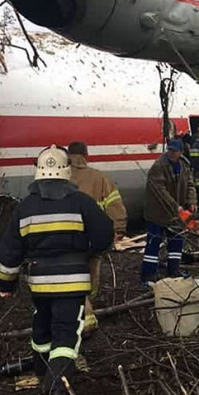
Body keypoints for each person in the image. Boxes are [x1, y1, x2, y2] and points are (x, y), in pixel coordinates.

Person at [0, 145, 113, 395]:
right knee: (66, 335)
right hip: (73, 284)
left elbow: (9, 250)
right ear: (67, 171)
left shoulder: (25, 207)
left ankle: (41, 370)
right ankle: (56, 386)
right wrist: (90, 250)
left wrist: (5, 284)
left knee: (42, 325)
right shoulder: (81, 202)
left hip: (40, 284)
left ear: (37, 173)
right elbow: (105, 235)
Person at [66, 141, 128, 333]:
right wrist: (118, 229)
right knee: (91, 276)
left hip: (65, 239)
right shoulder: (99, 177)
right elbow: (115, 205)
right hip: (91, 239)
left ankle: (74, 311)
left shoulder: (60, 177)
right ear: (86, 155)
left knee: (69, 276)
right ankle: (87, 311)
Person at [140, 139, 198, 284]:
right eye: (170, 150)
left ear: (181, 152)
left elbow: (190, 184)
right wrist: (176, 207)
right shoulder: (159, 166)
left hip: (175, 213)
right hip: (158, 213)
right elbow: (160, 191)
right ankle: (148, 275)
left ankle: (174, 270)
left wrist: (192, 201)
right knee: (153, 244)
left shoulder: (184, 165)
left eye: (174, 151)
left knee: (177, 243)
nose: (171, 153)